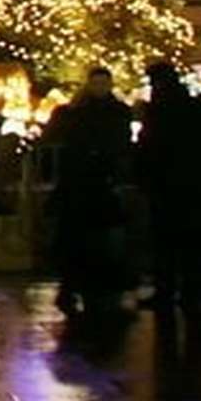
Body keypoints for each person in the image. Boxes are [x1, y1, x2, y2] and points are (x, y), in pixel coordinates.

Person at [135, 62, 201, 321]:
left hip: (166, 185)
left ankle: (166, 292)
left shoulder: (160, 111)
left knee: (165, 243)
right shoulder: (195, 108)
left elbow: (150, 148)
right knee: (191, 243)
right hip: (193, 185)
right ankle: (191, 292)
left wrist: (143, 175)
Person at [47, 66, 134, 322]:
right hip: (93, 185)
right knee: (94, 240)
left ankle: (79, 288)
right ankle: (94, 290)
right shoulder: (110, 113)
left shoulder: (79, 113)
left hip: (87, 185)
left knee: (83, 240)